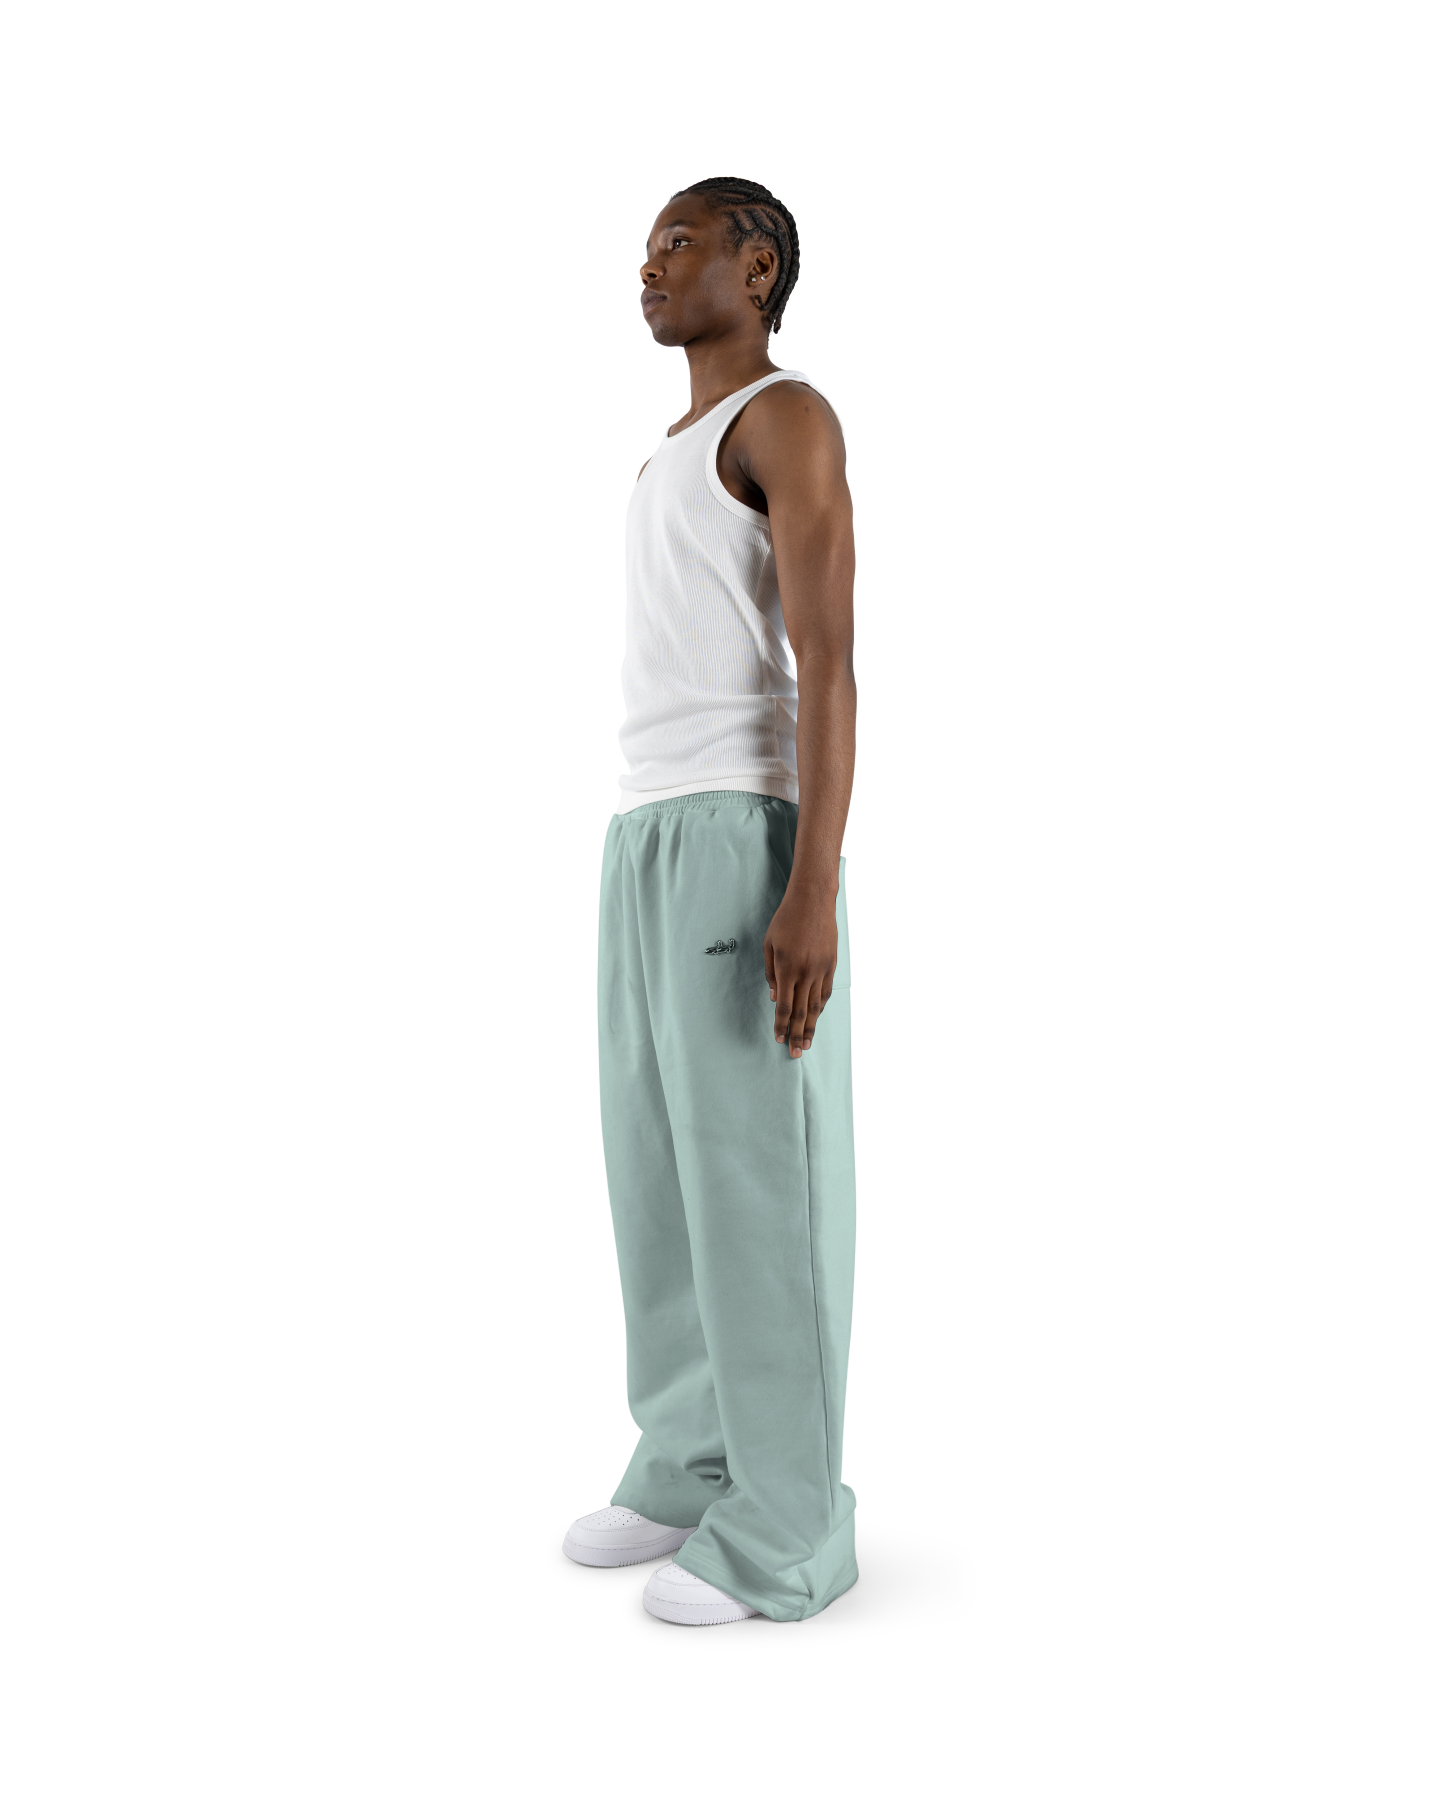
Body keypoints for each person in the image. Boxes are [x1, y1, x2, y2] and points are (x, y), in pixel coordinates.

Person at [563, 177, 858, 1626]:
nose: (650, 265)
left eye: (680, 242)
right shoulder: (666, 456)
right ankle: (684, 1467)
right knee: (660, 1171)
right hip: (645, 827)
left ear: (757, 268)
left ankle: (790, 1533)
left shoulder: (782, 420)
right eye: (645, 245)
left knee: (750, 1181)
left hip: (742, 827)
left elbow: (832, 661)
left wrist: (812, 885)